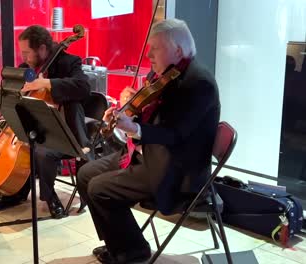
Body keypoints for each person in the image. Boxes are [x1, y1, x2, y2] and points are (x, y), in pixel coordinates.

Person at [77, 18, 220, 263]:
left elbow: (175, 134)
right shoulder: (166, 74)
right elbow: (151, 116)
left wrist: (134, 128)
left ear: (177, 50)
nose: (149, 55)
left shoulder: (198, 83)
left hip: (175, 169)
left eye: (155, 48)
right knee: (85, 173)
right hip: (149, 155)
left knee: (99, 188)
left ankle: (132, 251)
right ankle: (119, 242)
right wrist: (129, 106)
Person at [0, 25, 90, 219]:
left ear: (41, 49)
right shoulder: (26, 69)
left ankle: (50, 197)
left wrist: (47, 83)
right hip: (27, 128)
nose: (23, 58)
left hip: (61, 131)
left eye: (26, 52)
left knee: (42, 152)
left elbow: (83, 87)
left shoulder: (69, 62)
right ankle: (12, 192)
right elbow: (10, 91)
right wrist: (0, 105)